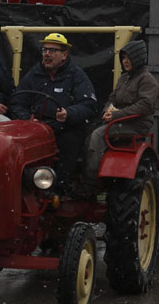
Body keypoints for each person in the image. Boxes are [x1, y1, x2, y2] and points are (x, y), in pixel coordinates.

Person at [10, 33, 99, 191]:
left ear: (64, 55)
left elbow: (88, 104)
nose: (47, 54)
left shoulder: (76, 75)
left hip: (65, 128)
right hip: (35, 128)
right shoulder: (34, 74)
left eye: (52, 50)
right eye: (44, 50)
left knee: (70, 142)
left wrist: (68, 114)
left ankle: (59, 188)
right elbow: (17, 101)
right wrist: (27, 119)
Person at [82, 41, 159, 195]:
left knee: (97, 135)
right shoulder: (124, 78)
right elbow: (112, 99)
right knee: (85, 131)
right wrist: (107, 110)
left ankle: (91, 183)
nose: (125, 61)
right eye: (123, 58)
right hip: (118, 121)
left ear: (138, 58)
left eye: (129, 58)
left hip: (135, 124)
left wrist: (116, 115)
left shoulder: (147, 80)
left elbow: (145, 106)